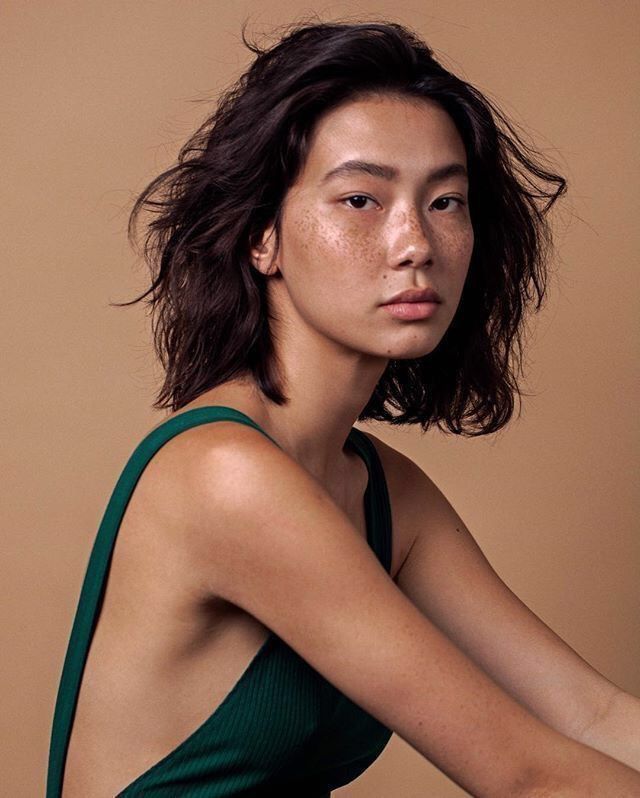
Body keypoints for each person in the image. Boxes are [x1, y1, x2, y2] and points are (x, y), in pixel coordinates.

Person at [47, 17, 640, 798]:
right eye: (361, 198)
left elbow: (588, 714)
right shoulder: (226, 478)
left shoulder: (384, 490)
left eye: (447, 201)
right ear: (263, 236)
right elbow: (528, 775)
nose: (415, 243)